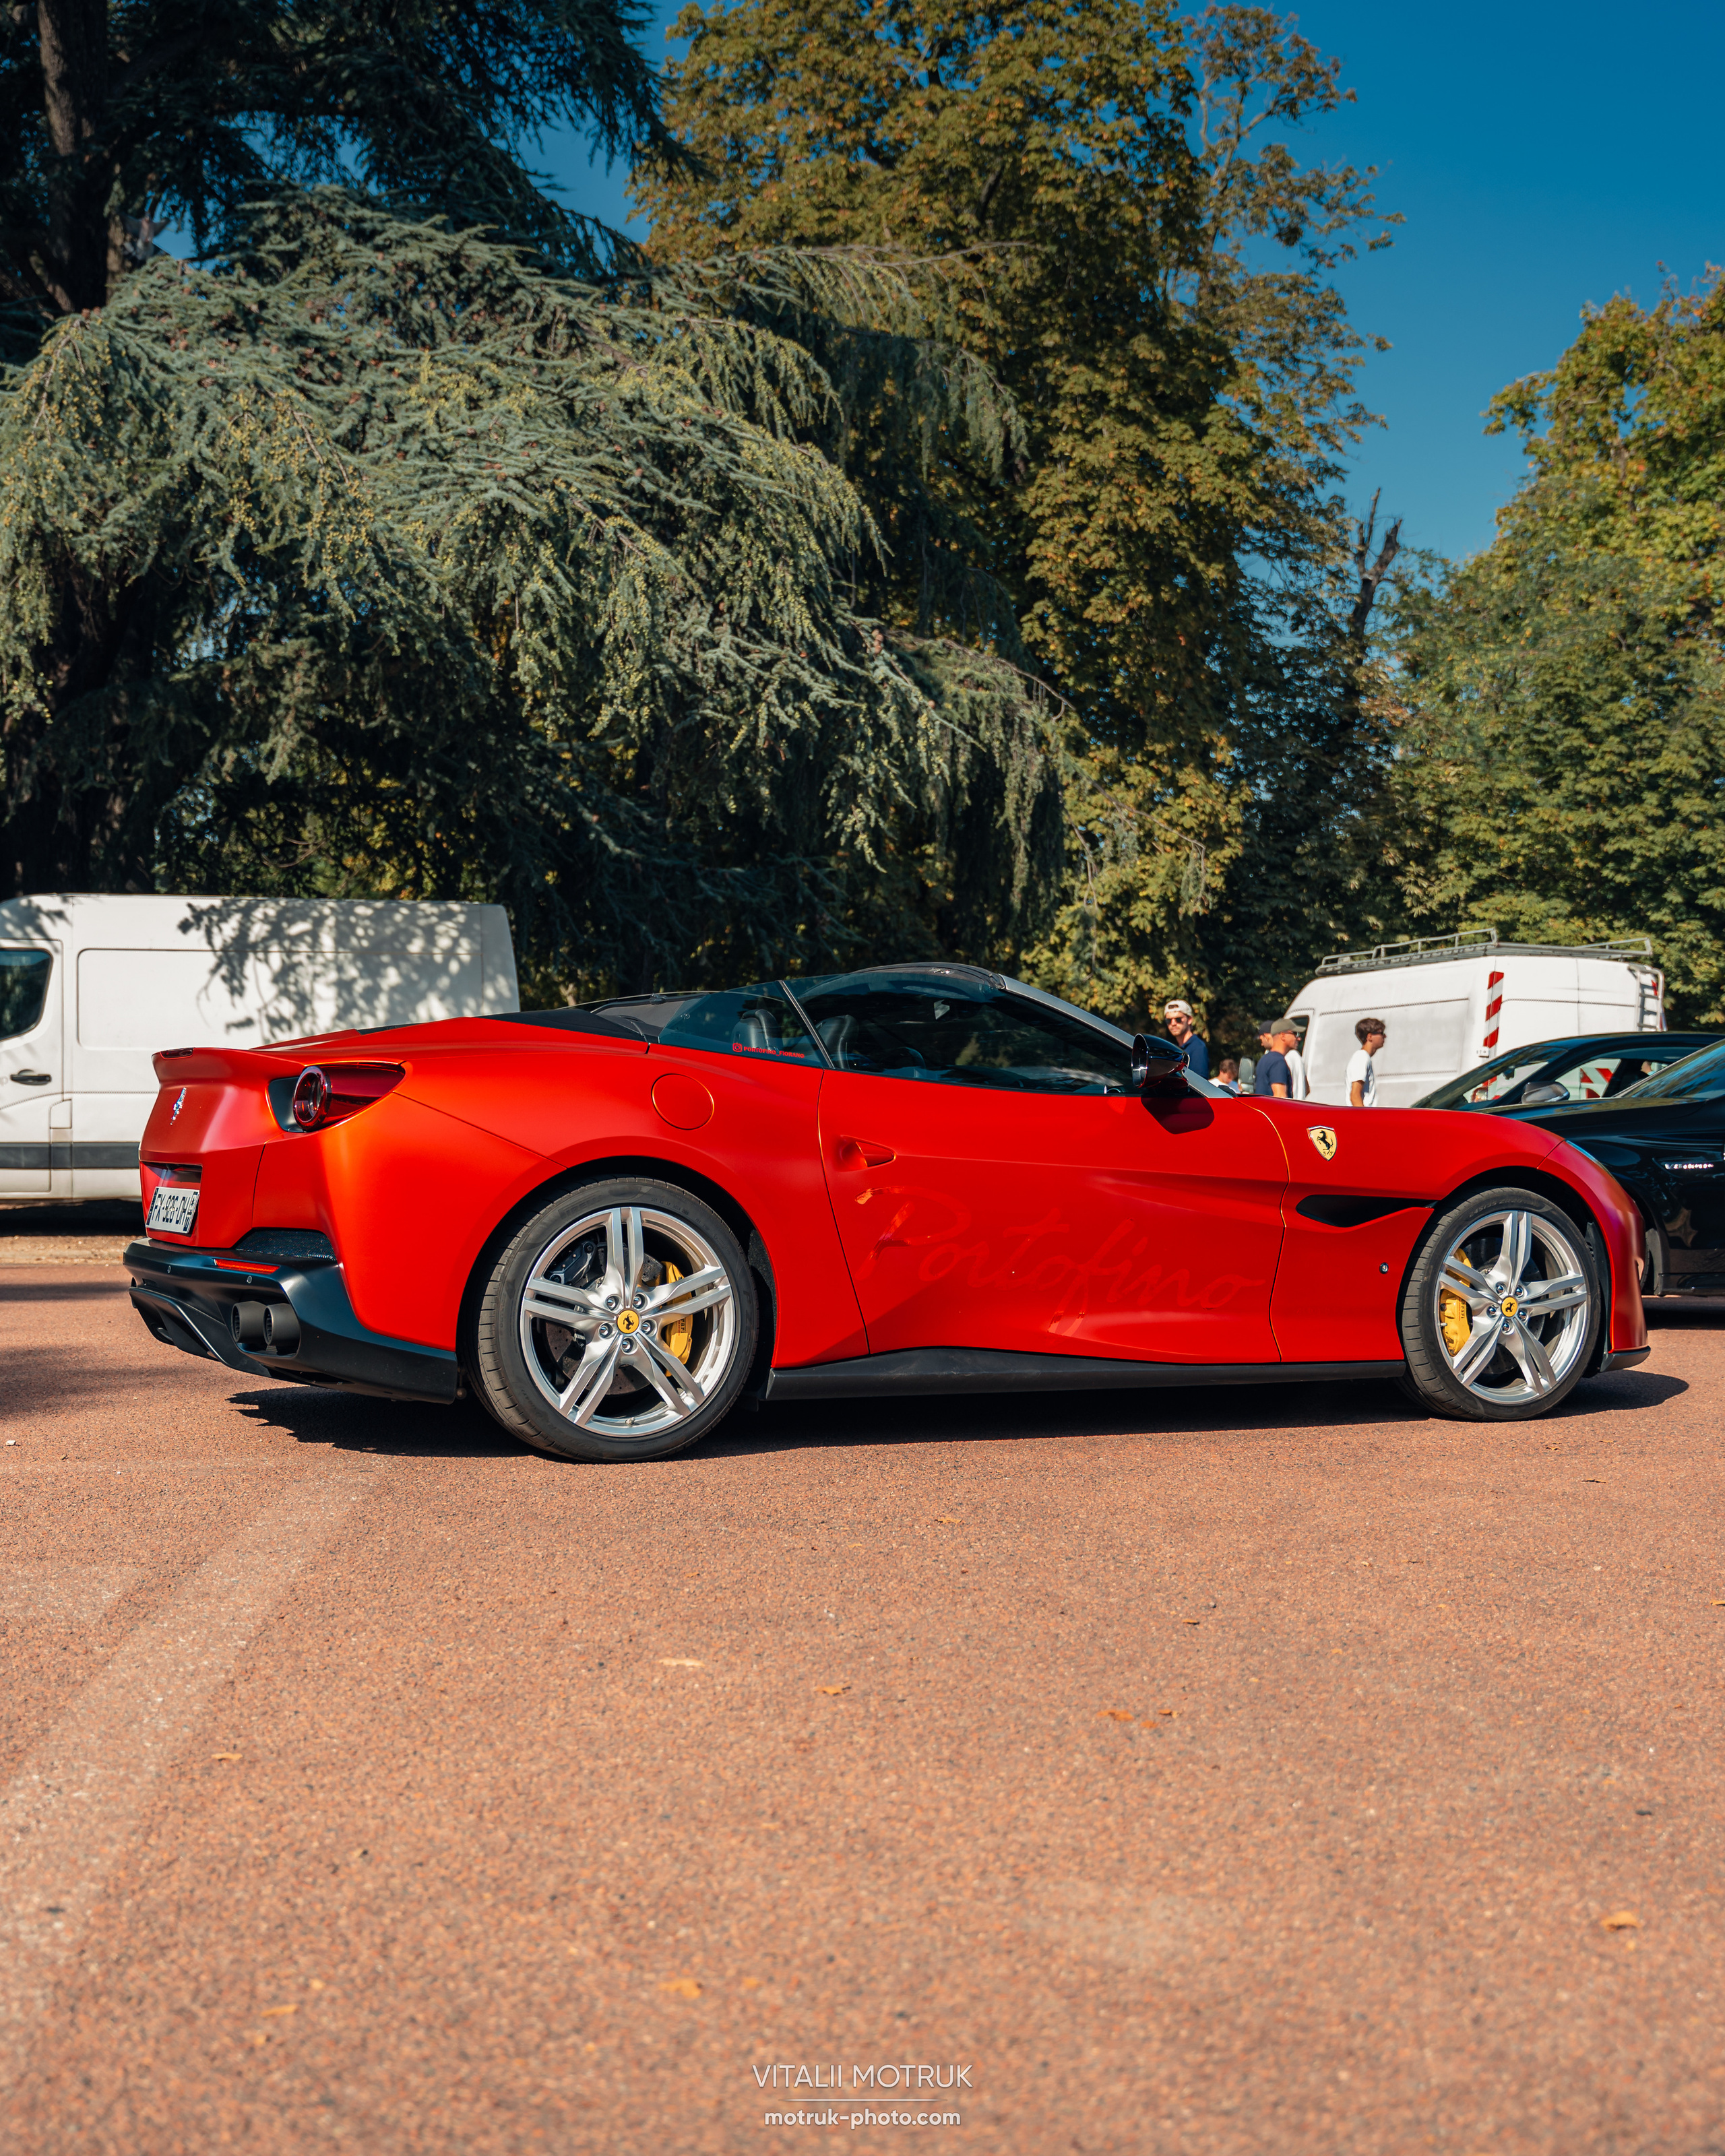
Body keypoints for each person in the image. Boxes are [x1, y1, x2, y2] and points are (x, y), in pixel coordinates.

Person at [1162, 998, 1209, 1081]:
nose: (1173, 1024)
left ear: (1190, 1019)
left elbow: (1199, 1084)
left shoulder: (1198, 1048)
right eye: (1169, 1020)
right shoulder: (1172, 1048)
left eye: (1178, 1019)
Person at [1348, 1017, 1386, 1106]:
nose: (1385, 1036)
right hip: (1363, 1118)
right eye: (1381, 1033)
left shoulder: (1364, 1057)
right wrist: (1364, 1119)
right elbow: (1355, 1096)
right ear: (1370, 1037)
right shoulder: (1362, 1057)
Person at [1253, 1021, 1292, 1098]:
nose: (1298, 1038)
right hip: (1275, 1109)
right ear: (1283, 1036)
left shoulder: (1265, 1059)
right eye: (1295, 1034)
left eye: (1261, 1040)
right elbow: (1280, 1097)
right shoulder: (1277, 1061)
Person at [1283, 1021, 1309, 1101]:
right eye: (1295, 1034)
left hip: (1290, 1106)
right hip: (1301, 1106)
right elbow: (1307, 1089)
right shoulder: (1297, 1056)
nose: (1299, 1038)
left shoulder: (1287, 1057)